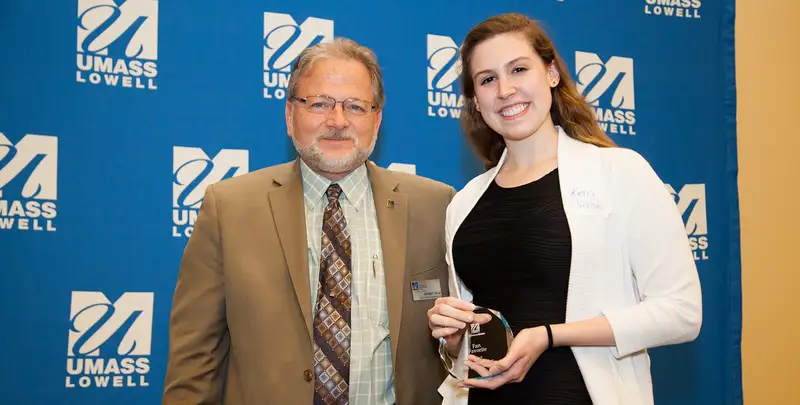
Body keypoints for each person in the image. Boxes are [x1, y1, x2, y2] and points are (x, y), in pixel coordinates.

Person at [427, 13, 702, 405]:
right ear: (475, 99)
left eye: (519, 69)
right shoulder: (465, 202)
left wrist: (552, 334)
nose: (505, 90)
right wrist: (455, 339)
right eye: (487, 79)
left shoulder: (620, 172)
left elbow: (682, 313)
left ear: (552, 73)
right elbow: (478, 342)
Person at [162, 37, 455, 405]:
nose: (337, 122)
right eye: (319, 104)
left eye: (355, 106)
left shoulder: (436, 205)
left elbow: (462, 342)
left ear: (377, 120)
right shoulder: (228, 208)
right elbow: (194, 359)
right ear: (289, 116)